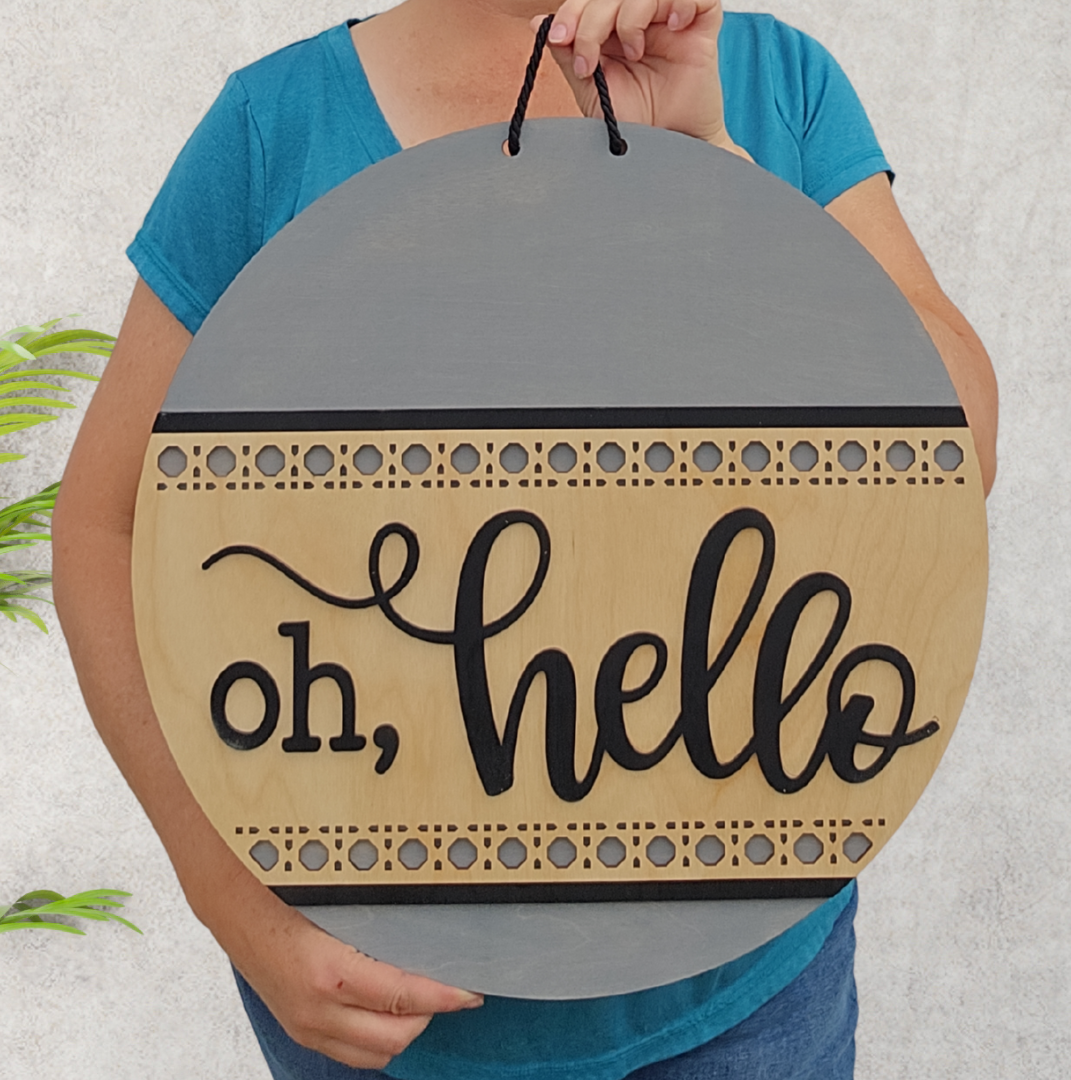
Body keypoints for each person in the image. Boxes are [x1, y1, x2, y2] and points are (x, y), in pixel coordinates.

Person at [52, 0, 998, 1077]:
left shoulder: (772, 84)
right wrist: (227, 899)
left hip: (750, 1003)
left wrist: (721, 163)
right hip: (386, 1020)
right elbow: (103, 523)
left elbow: (960, 444)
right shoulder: (280, 127)